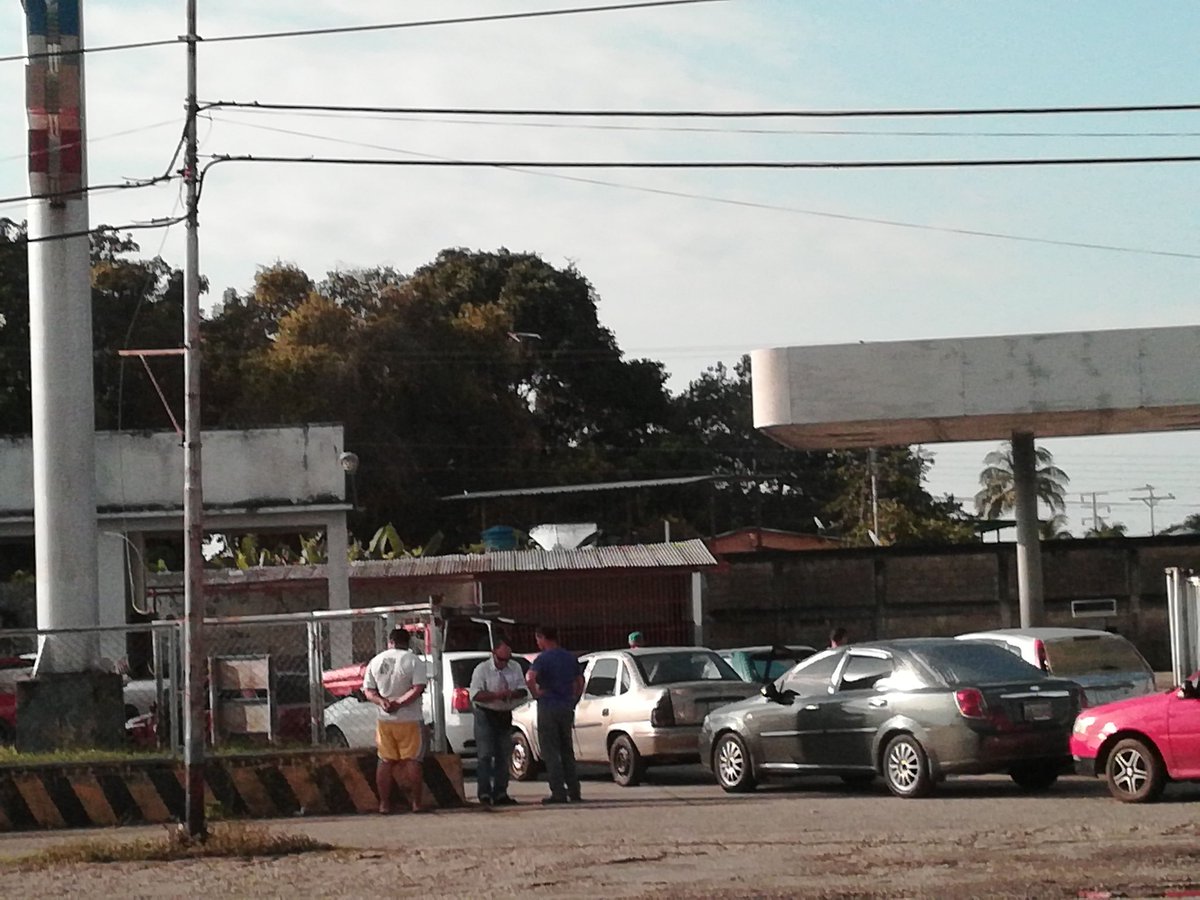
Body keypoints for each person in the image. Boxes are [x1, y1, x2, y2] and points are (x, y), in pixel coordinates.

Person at [362, 627, 429, 814]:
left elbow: (368, 691)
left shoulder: (376, 661)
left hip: (385, 720)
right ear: (408, 643)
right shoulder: (413, 660)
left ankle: (384, 804)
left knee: (385, 761)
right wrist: (399, 703)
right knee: (413, 761)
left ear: (390, 641)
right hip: (410, 719)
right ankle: (416, 803)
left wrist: (382, 702)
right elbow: (418, 688)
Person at [526, 624, 584, 805]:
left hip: (548, 705)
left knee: (551, 751)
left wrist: (536, 694)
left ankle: (558, 792)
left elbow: (530, 678)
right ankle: (574, 790)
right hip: (566, 706)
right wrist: (575, 698)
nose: (537, 643)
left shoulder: (542, 659)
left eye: (538, 639)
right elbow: (580, 680)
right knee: (567, 749)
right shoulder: (569, 657)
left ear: (542, 637)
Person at [469, 638, 528, 807]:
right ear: (493, 654)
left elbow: (523, 690)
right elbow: (475, 695)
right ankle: (485, 793)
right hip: (485, 713)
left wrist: (512, 694)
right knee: (485, 755)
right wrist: (496, 695)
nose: (504, 663)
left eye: (507, 659)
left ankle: (501, 792)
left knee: (503, 754)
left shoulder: (515, 667)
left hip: (504, 713)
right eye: (501, 659)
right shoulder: (482, 669)